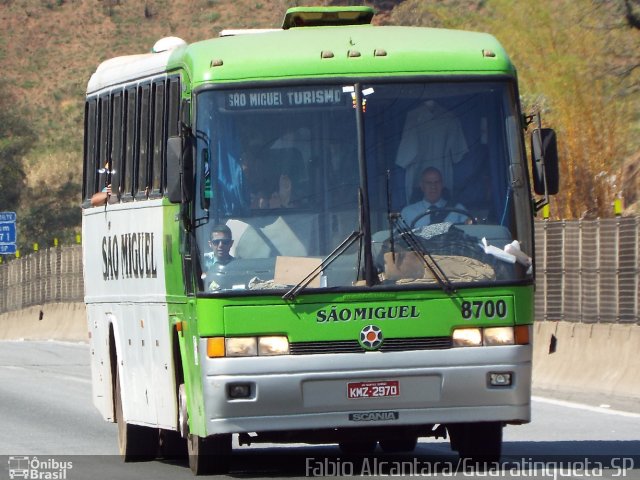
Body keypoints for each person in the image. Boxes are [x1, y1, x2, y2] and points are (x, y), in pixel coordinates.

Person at [400, 167, 469, 228]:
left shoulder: (458, 210)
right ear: (422, 186)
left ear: (442, 184)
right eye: (429, 183)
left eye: (437, 182)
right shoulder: (407, 212)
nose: (433, 187)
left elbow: (470, 234)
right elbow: (399, 239)